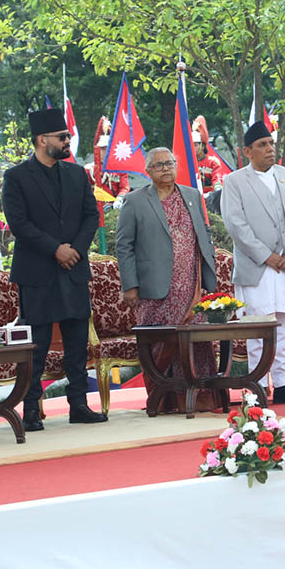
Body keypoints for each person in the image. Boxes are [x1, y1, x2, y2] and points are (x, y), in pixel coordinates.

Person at [2, 108, 106, 431]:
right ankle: (31, 410)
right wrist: (55, 249)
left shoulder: (76, 175)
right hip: (38, 272)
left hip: (74, 268)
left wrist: (75, 249)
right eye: (62, 137)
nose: (66, 142)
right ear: (42, 140)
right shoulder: (16, 177)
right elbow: (19, 224)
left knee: (77, 341)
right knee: (38, 344)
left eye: (67, 137)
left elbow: (92, 216)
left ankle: (79, 404)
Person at [115, 147, 219, 411]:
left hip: (191, 285)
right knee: (160, 344)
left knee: (196, 342)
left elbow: (204, 235)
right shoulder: (135, 201)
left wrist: (209, 273)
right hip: (154, 289)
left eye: (169, 163)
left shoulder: (193, 195)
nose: (165, 169)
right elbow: (124, 245)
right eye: (158, 165)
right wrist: (130, 285)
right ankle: (164, 400)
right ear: (148, 171)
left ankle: (201, 399)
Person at [222, 122, 285, 405]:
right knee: (258, 328)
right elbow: (236, 225)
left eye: (271, 143)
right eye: (262, 145)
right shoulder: (235, 181)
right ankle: (257, 386)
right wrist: (267, 256)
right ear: (247, 151)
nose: (269, 149)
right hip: (257, 267)